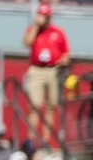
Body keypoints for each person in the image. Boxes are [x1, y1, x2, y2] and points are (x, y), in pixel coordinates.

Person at [22, 2, 69, 147]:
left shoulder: (58, 32)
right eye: (41, 16)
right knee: (35, 106)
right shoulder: (33, 30)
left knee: (51, 106)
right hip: (36, 69)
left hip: (53, 69)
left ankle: (46, 139)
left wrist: (63, 61)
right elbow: (27, 43)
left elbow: (66, 52)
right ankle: (31, 139)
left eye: (45, 17)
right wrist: (36, 26)